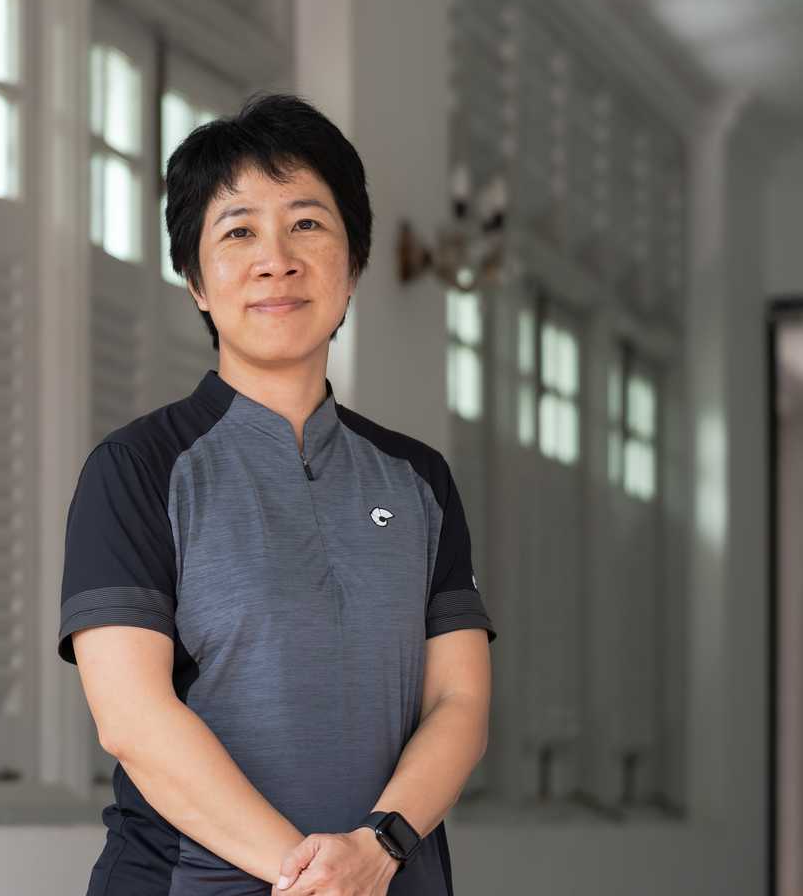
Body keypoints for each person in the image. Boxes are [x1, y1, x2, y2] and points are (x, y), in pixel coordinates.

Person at [56, 92, 497, 896]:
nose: (276, 260)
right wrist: (314, 880)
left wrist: (380, 847)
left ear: (352, 266)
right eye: (238, 232)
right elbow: (132, 719)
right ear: (195, 280)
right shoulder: (136, 469)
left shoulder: (419, 480)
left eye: (307, 224)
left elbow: (459, 701)